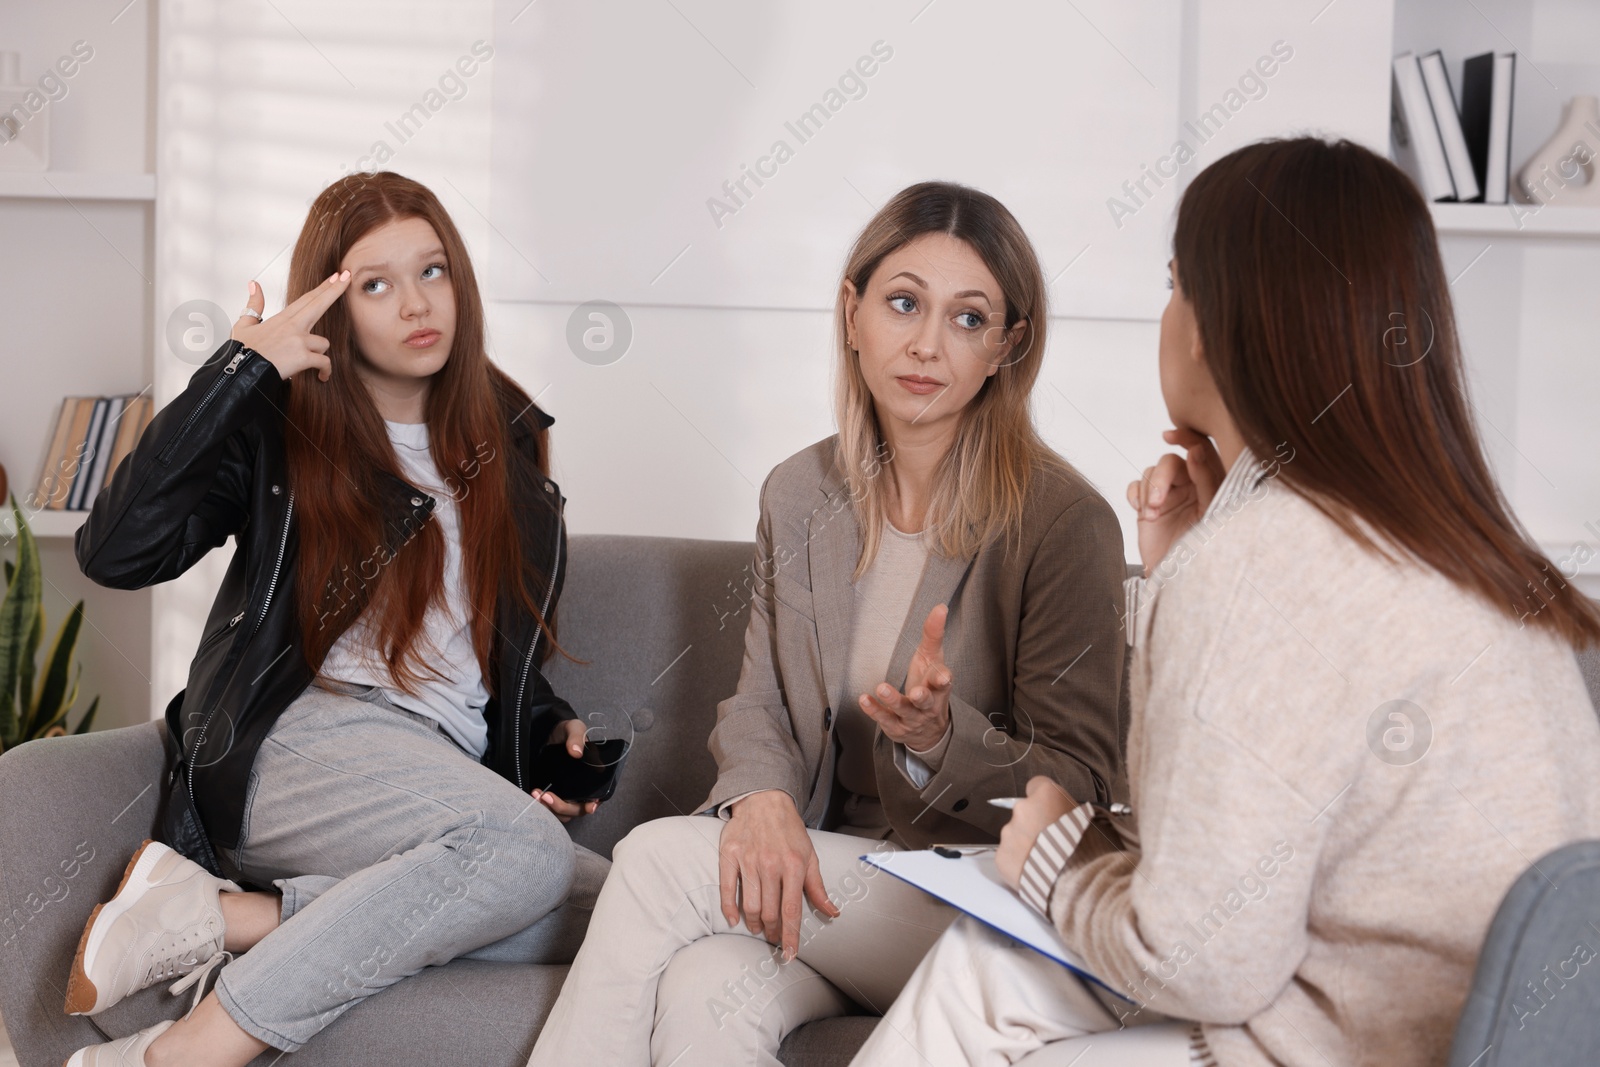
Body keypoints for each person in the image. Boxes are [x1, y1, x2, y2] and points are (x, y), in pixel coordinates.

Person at [848, 137, 1600, 1067]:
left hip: (1346, 1044)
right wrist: (1186, 569)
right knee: (982, 970)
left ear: (1214, 322)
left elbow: (1201, 952)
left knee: (1000, 988)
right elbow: (1234, 848)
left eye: (1175, 284)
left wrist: (1053, 857)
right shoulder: (1473, 548)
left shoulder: (1256, 566)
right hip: (1484, 1035)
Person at [528, 180, 1130, 1066]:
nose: (927, 343)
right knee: (702, 996)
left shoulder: (1064, 520)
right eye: (903, 303)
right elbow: (759, 703)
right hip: (833, 881)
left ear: (1008, 345)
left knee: (657, 861)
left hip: (983, 899)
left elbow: (1079, 782)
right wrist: (761, 797)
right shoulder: (800, 492)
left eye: (969, 319)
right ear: (853, 313)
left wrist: (939, 739)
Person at [65, 171, 609, 1067]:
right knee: (520, 851)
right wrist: (237, 374)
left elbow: (482, 651)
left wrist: (546, 730)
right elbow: (116, 551)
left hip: (428, 772)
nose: (417, 304)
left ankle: (227, 915)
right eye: (376, 284)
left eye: (433, 271)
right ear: (330, 305)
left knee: (622, 907)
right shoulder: (280, 427)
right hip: (291, 743)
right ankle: (175, 1055)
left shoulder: (506, 441)